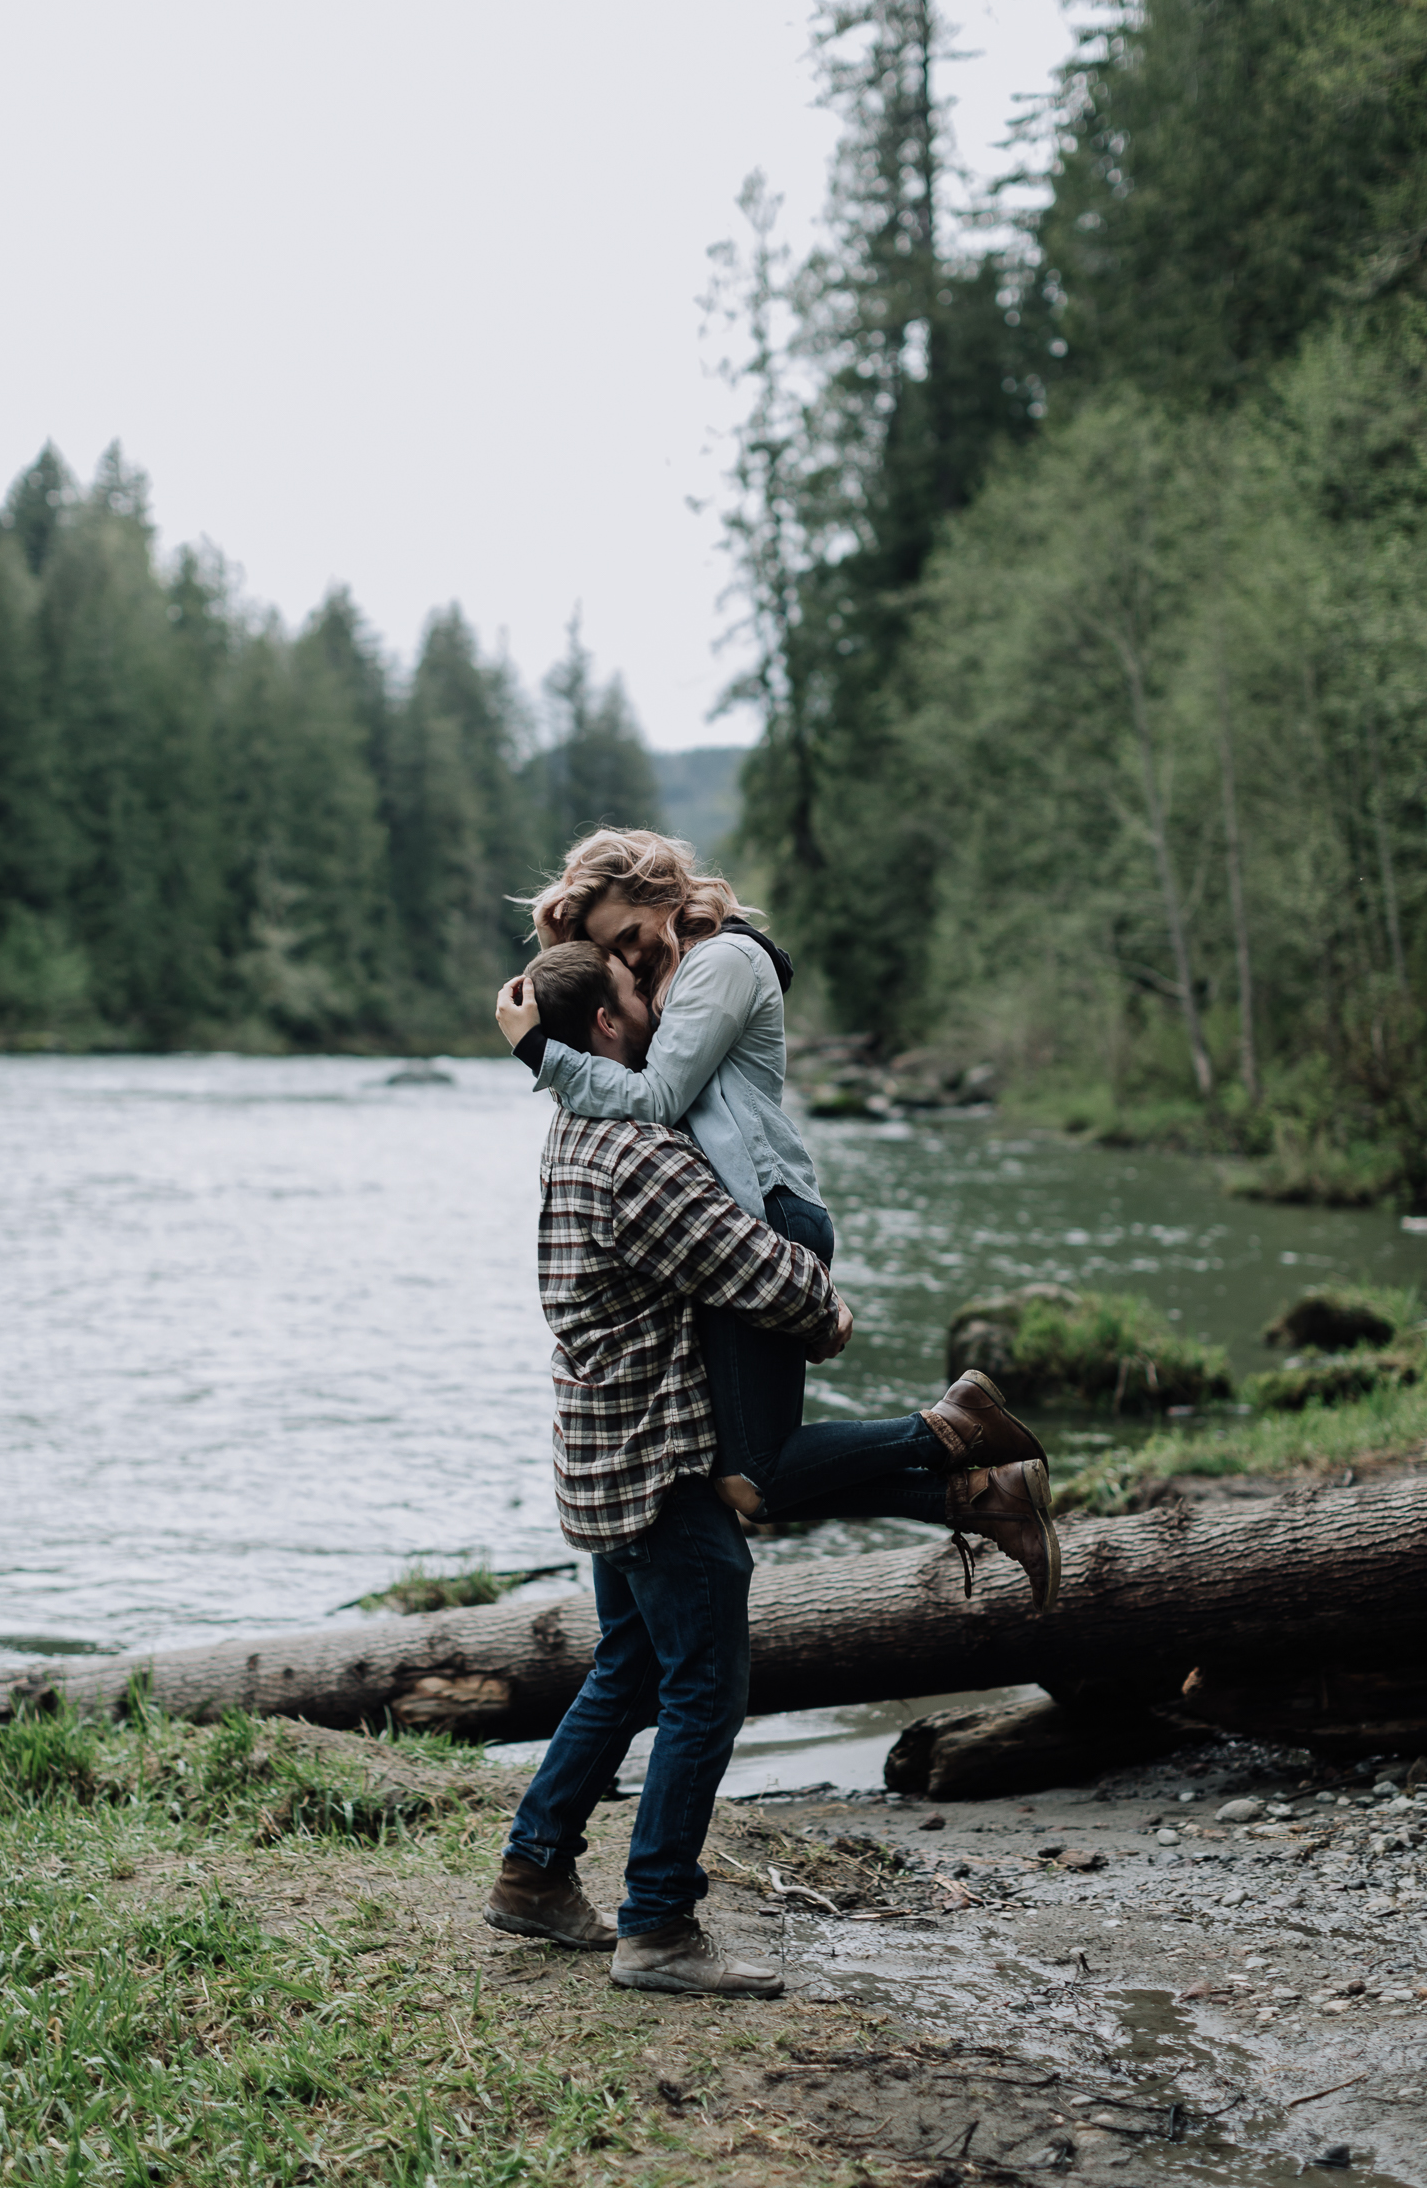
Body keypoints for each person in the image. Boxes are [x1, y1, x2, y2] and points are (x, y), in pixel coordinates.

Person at [484, 943, 1058, 1998]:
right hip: (660, 1468)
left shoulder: (574, 1128)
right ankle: (657, 1927)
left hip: (604, 1455)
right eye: (637, 996)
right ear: (609, 1029)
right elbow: (760, 1271)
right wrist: (824, 1299)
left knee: (629, 1669)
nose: (656, 1006)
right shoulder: (637, 1155)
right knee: (704, 1695)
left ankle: (532, 1873)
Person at [494, 827, 1051, 1546]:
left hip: (766, 1216)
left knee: (757, 1477)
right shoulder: (669, 973)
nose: (627, 957)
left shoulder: (723, 960)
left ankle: (951, 1430)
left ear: (661, 893)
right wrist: (555, 956)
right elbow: (597, 1021)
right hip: (731, 1220)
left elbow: (653, 1094)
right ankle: (983, 1497)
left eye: (629, 935)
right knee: (748, 1484)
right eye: (615, 949)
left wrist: (539, 1049)